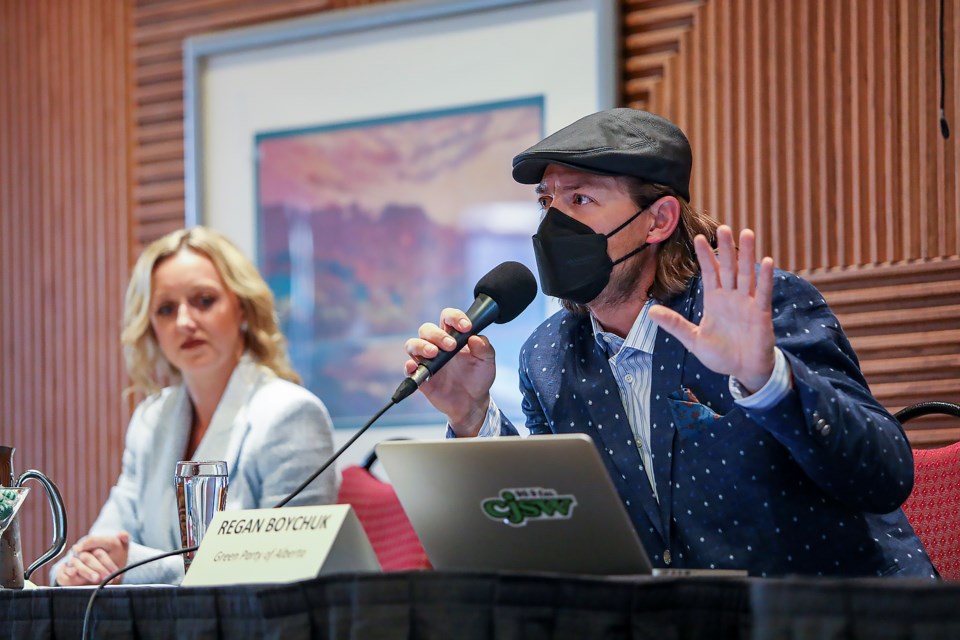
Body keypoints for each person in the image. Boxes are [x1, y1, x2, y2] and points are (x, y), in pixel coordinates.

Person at [404, 108, 937, 578]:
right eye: (547, 203)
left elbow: (885, 473)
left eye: (581, 199)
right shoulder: (549, 355)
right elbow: (556, 526)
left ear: (658, 220)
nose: (553, 225)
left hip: (825, 614)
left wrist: (767, 380)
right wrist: (472, 416)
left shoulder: (755, 308)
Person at [51, 226, 337, 585]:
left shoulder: (292, 414)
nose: (185, 322)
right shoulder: (150, 420)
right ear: (151, 327)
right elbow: (103, 542)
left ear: (243, 309)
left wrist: (134, 565)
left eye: (204, 301)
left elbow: (289, 569)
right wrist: (76, 569)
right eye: (166, 309)